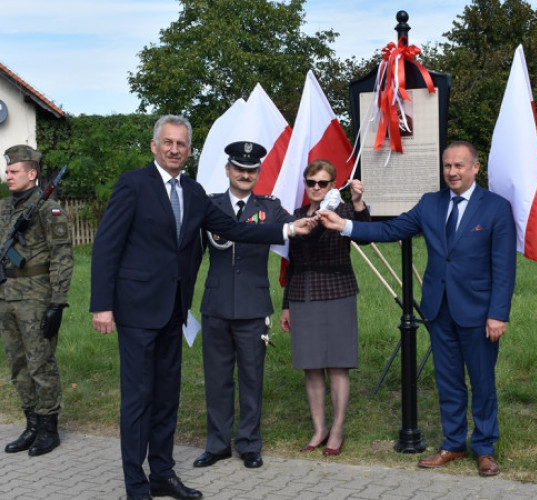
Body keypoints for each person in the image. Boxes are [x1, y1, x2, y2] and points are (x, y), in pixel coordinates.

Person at [90, 115, 316, 500]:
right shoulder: (133, 185)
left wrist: (288, 229)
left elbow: (237, 229)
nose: (175, 149)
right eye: (168, 142)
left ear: (189, 150)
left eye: (181, 144)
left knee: (167, 398)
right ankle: (135, 483)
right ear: (154, 146)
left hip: (174, 311)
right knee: (138, 399)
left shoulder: (194, 192)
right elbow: (106, 246)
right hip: (136, 311)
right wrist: (102, 306)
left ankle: (162, 473)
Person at [319, 141, 516, 476]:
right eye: (447, 166)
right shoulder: (430, 204)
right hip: (438, 311)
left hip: (480, 314)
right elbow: (391, 229)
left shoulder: (496, 208)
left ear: (475, 168)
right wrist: (346, 227)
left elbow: (504, 266)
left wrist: (498, 313)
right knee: (449, 381)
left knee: (482, 383)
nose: (452, 172)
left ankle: (484, 448)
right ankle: (453, 444)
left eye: (459, 166)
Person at [192, 141, 292, 470]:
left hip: (253, 305)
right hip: (216, 304)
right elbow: (189, 252)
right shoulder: (208, 205)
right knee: (217, 378)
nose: (245, 174)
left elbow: (299, 230)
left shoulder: (271, 208)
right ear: (228, 170)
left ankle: (249, 443)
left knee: (251, 378)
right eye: (239, 168)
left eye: (251, 170)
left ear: (258, 173)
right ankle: (218, 444)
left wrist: (329, 208)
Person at [280, 159, 369, 456]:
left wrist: (358, 203)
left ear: (333, 185)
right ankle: (319, 428)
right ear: (305, 185)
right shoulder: (295, 217)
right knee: (312, 366)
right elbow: (290, 262)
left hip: (338, 292)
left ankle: (338, 429)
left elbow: (366, 235)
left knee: (337, 364)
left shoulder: (342, 211)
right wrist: (286, 306)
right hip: (303, 294)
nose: (316, 188)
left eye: (323, 183)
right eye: (311, 183)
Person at [0, 145, 72, 457]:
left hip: (37, 298)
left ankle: (48, 428)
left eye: (14, 171)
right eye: (7, 171)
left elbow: (62, 257)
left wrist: (57, 302)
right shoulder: (3, 207)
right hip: (7, 296)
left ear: (32, 174)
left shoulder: (48, 209)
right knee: (17, 364)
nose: (8, 175)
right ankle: (30, 425)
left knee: (40, 364)